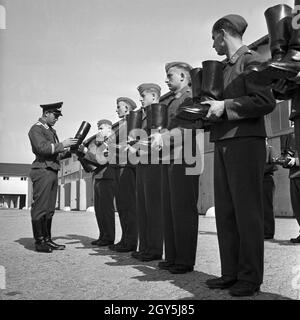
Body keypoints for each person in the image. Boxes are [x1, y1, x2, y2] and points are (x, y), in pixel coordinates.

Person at [203, 15, 276, 296]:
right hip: (224, 140)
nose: (213, 45)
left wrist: (226, 106)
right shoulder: (223, 69)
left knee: (247, 213)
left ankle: (249, 277)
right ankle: (231, 273)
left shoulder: (251, 60)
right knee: (226, 212)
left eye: (213, 38)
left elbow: (265, 101)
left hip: (246, 142)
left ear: (223, 34)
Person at [151, 62, 202, 274]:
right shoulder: (173, 101)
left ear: (183, 76)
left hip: (186, 156)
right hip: (170, 157)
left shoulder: (191, 97)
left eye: (170, 76)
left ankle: (184, 259)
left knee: (183, 210)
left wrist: (163, 137)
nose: (166, 80)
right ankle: (172, 256)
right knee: (170, 210)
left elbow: (190, 127)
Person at [28, 102, 78, 253]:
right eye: (55, 115)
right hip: (42, 170)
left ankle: (47, 239)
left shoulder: (50, 130)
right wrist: (63, 144)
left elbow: (57, 153)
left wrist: (70, 149)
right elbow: (42, 148)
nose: (57, 118)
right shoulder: (37, 128)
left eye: (58, 116)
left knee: (49, 209)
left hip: (52, 170)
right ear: (46, 114)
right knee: (40, 207)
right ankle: (39, 241)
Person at [130, 83, 164, 262]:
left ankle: (155, 248)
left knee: (153, 208)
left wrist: (140, 145)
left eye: (143, 96)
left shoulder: (158, 113)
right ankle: (144, 246)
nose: (141, 99)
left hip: (154, 163)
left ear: (154, 96)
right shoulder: (143, 117)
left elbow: (158, 141)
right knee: (142, 207)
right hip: (142, 163)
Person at [78, 119, 117, 246]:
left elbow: (101, 159)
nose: (99, 131)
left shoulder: (111, 140)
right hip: (98, 177)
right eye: (98, 128)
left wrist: (85, 151)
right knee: (99, 210)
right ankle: (102, 235)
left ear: (109, 129)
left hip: (107, 177)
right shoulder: (100, 142)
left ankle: (109, 237)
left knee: (106, 209)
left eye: (101, 128)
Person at [108, 97, 138, 252]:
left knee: (128, 205)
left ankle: (131, 241)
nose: (117, 109)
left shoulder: (131, 123)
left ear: (127, 108)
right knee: (121, 205)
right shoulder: (122, 125)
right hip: (118, 166)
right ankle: (125, 239)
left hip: (126, 166)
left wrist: (114, 146)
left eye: (119, 107)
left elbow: (130, 143)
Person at [280, 129, 300, 243]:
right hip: (293, 176)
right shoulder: (291, 136)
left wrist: (296, 161)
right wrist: (284, 161)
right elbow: (289, 153)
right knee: (297, 208)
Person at [263, 139, 278, 240]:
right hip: (257, 180)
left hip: (266, 179)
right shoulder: (256, 151)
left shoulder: (270, 149)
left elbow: (274, 165)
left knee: (267, 207)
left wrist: (259, 170)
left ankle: (269, 232)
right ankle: (261, 230)